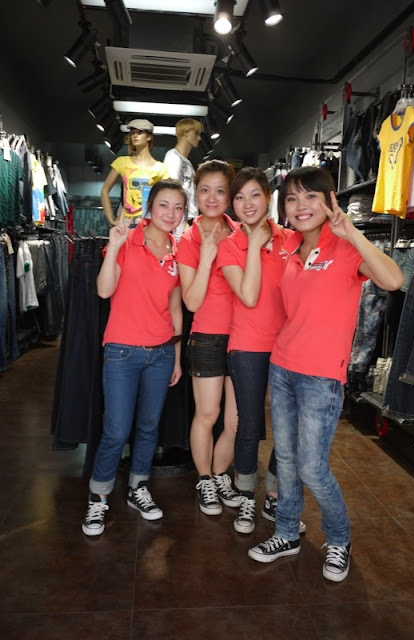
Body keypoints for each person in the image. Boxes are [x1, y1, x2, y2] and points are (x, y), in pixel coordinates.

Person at [248, 166, 403, 581]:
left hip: (321, 377)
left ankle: (338, 540)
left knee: (312, 467)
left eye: (310, 197)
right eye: (293, 199)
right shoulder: (288, 250)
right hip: (282, 368)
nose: (301, 206)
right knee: (285, 459)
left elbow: (393, 279)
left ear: (330, 199)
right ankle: (286, 532)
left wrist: (352, 232)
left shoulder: (347, 249)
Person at [82, 179, 186, 536]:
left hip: (159, 353)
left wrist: (175, 356)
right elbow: (104, 289)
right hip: (122, 351)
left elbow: (175, 309)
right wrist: (113, 247)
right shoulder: (128, 240)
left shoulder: (178, 251)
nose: (170, 214)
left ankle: (138, 488)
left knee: (149, 426)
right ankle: (98, 498)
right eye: (164, 205)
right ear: (150, 208)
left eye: (178, 208)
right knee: (116, 429)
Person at [217, 167, 306, 535]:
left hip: (291, 346)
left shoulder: (295, 239)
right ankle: (246, 500)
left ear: (269, 197)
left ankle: (272, 495)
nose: (247, 204)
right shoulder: (229, 244)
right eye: (239, 197)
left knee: (291, 431)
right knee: (249, 425)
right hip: (248, 346)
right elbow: (249, 296)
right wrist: (254, 244)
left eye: (255, 195)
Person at [177, 159, 241, 515]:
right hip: (207, 339)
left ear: (229, 195)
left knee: (234, 421)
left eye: (220, 190)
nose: (212, 198)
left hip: (244, 339)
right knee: (208, 414)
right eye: (205, 190)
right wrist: (207, 255)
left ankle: (220, 476)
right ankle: (204, 480)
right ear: (195, 193)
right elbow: (191, 300)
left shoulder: (244, 231)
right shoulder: (189, 237)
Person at [101, 119, 170, 227]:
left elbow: (167, 197)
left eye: (140, 132)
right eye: (133, 133)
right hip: (126, 221)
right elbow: (105, 190)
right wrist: (111, 219)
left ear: (148, 137)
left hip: (148, 222)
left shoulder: (160, 168)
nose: (135, 136)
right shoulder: (122, 162)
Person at [163, 118, 203, 239]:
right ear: (185, 133)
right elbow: (171, 191)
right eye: (196, 133)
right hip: (178, 221)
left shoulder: (186, 162)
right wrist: (180, 221)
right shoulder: (173, 157)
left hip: (185, 218)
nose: (199, 138)